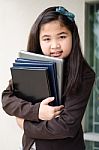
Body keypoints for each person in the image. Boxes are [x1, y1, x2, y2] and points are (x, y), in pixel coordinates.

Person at [1, 6, 95, 150]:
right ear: (38, 40)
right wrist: (37, 111)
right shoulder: (31, 65)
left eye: (62, 36)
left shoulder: (83, 74)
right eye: (46, 39)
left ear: (73, 37)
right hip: (29, 146)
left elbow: (65, 126)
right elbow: (7, 99)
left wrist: (25, 124)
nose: (55, 45)